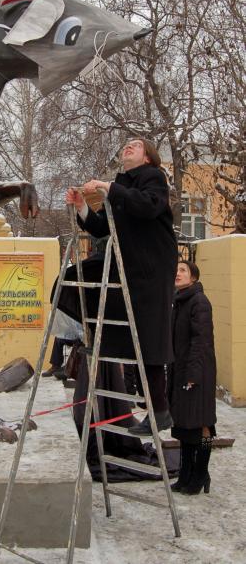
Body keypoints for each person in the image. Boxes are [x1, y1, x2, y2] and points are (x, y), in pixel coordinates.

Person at [62, 138, 178, 435]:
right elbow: (102, 228)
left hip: (151, 269)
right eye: (126, 145)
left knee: (149, 340)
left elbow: (149, 206)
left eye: (136, 145)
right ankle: (93, 333)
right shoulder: (121, 186)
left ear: (149, 158)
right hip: (128, 269)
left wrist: (107, 187)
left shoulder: (154, 177)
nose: (128, 147)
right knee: (137, 339)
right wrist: (82, 207)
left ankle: (160, 412)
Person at [168, 260, 217, 494]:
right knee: (185, 426)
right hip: (183, 371)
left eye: (183, 270)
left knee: (203, 426)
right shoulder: (179, 301)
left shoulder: (200, 302)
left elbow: (201, 341)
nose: (177, 273)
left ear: (194, 277)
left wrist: (193, 375)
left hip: (198, 373)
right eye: (176, 270)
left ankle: (200, 474)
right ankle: (185, 474)